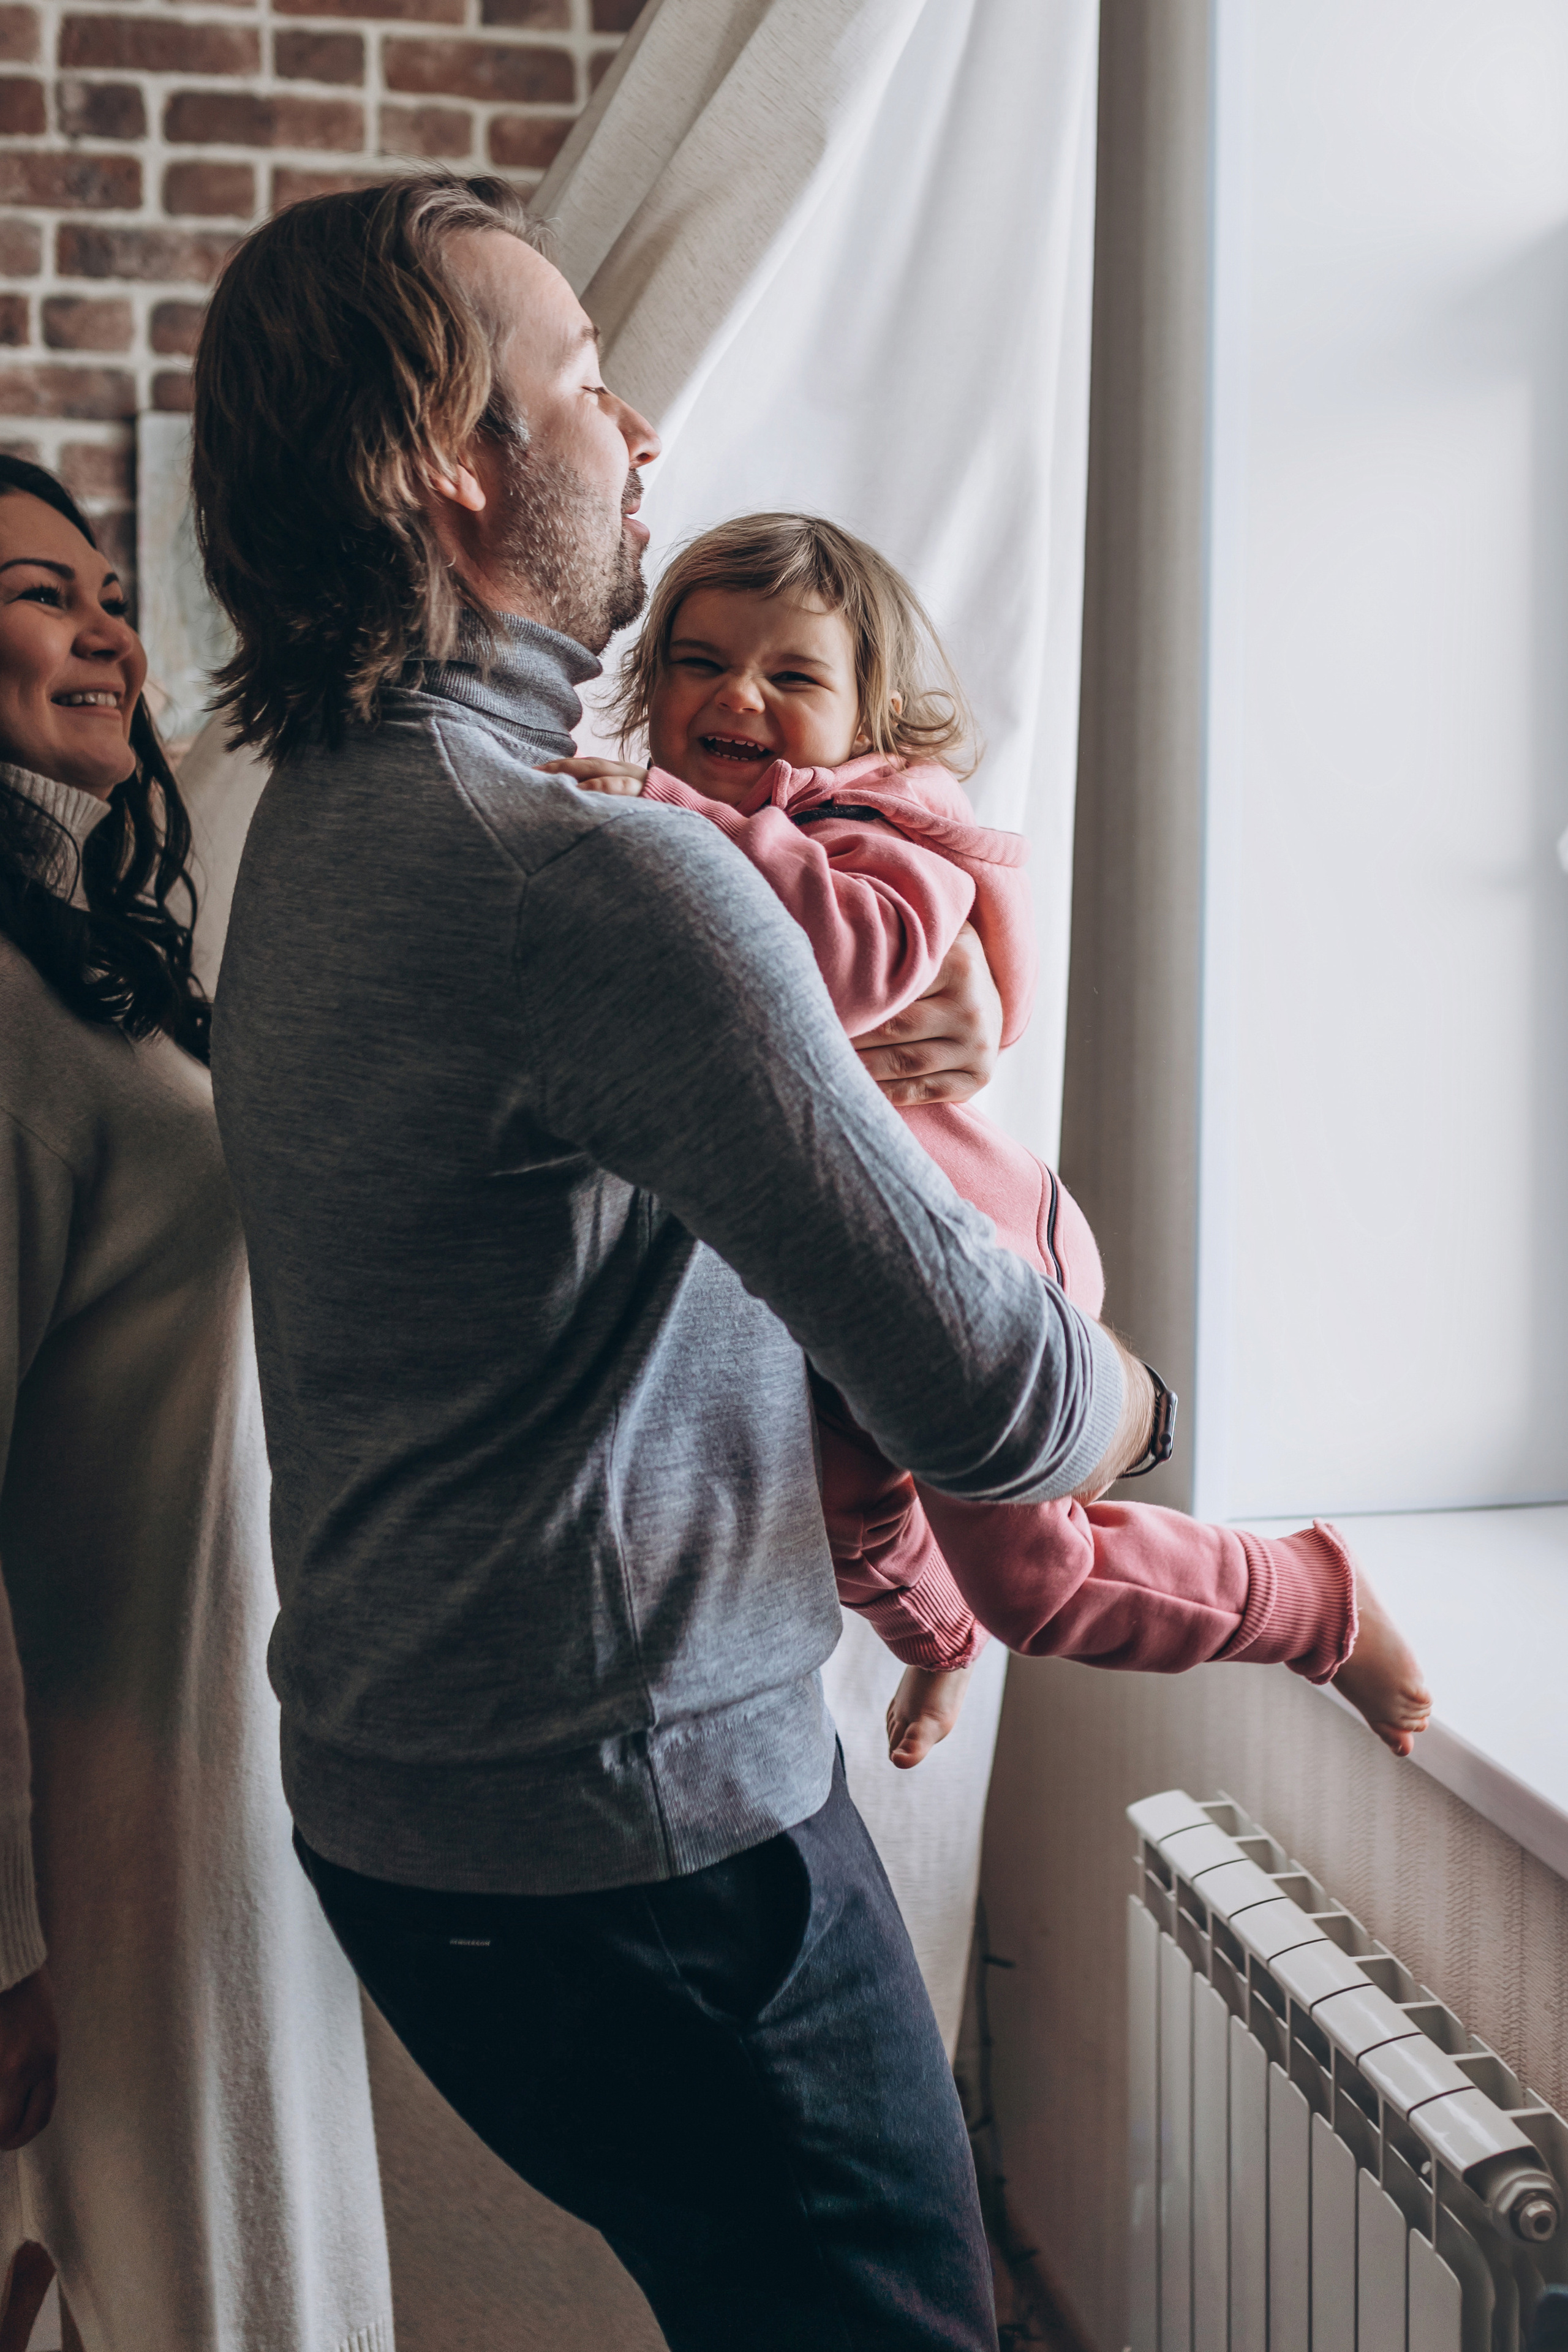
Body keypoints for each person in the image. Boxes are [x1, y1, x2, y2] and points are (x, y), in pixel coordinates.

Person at [190, 172, 1157, 2352]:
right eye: (586, 385)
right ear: (456, 467)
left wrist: (826, 1047)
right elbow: (997, 1404)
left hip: (418, 1820)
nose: (637, 436)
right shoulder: (587, 879)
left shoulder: (328, 818)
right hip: (651, 1855)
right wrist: (1142, 1398)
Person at [549, 511, 1434, 1770]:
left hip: (979, 1249)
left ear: (870, 719)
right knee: (848, 1523)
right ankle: (940, 1637)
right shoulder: (721, 828)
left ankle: (1311, 1604)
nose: (738, 694)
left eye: (792, 675)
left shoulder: (881, 831)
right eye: (700, 662)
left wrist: (670, 816)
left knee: (1038, 1589)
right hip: (831, 1274)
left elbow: (852, 962)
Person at [0, 456, 393, 2348]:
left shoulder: (93, 960)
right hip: (92, 1856)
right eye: (36, 591)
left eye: (107, 591)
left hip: (223, 1776)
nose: (104, 626)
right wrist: (8, 1948)